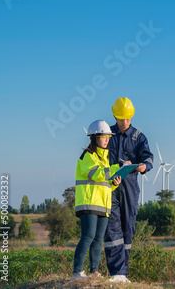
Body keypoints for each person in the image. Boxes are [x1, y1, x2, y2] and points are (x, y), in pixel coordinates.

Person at [104, 97, 154, 283]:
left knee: (127, 229)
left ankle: (123, 274)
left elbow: (148, 158)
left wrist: (143, 166)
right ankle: (116, 272)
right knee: (112, 230)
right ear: (115, 116)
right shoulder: (107, 134)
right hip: (110, 187)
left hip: (130, 187)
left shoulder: (139, 137)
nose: (125, 122)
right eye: (121, 118)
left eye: (128, 118)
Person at [72, 120, 122, 280]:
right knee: (88, 237)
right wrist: (116, 168)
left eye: (108, 136)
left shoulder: (105, 160)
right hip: (88, 203)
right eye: (103, 136)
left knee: (98, 239)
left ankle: (94, 272)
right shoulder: (88, 156)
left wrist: (114, 183)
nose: (107, 139)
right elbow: (97, 174)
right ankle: (77, 272)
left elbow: (104, 183)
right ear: (94, 137)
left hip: (103, 205)